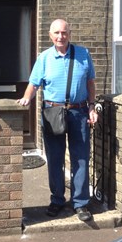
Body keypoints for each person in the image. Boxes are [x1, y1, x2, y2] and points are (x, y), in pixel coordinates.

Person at [18, 19, 98, 221]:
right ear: (50, 35)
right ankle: (57, 200)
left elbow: (90, 83)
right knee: (55, 159)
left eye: (64, 32)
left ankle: (80, 203)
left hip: (79, 113)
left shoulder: (83, 54)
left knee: (80, 158)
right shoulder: (44, 58)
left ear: (69, 33)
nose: (61, 36)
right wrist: (26, 98)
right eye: (57, 33)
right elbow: (34, 84)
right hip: (52, 113)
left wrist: (91, 107)